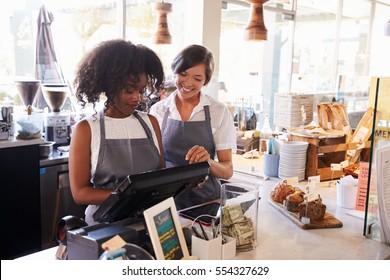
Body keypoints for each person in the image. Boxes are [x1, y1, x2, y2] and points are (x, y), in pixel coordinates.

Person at [69, 39, 166, 225]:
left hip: (149, 222)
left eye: (141, 90)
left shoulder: (151, 122)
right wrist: (127, 197)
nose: (137, 98)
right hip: (104, 226)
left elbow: (160, 176)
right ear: (110, 85)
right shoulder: (87, 129)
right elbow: (80, 193)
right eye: (129, 90)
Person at [149, 44, 236, 210]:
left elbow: (227, 170)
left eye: (197, 78)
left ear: (205, 81)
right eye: (183, 74)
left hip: (206, 202)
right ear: (175, 71)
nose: (188, 83)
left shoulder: (219, 112)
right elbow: (151, 164)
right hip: (166, 203)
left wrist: (208, 162)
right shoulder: (158, 110)